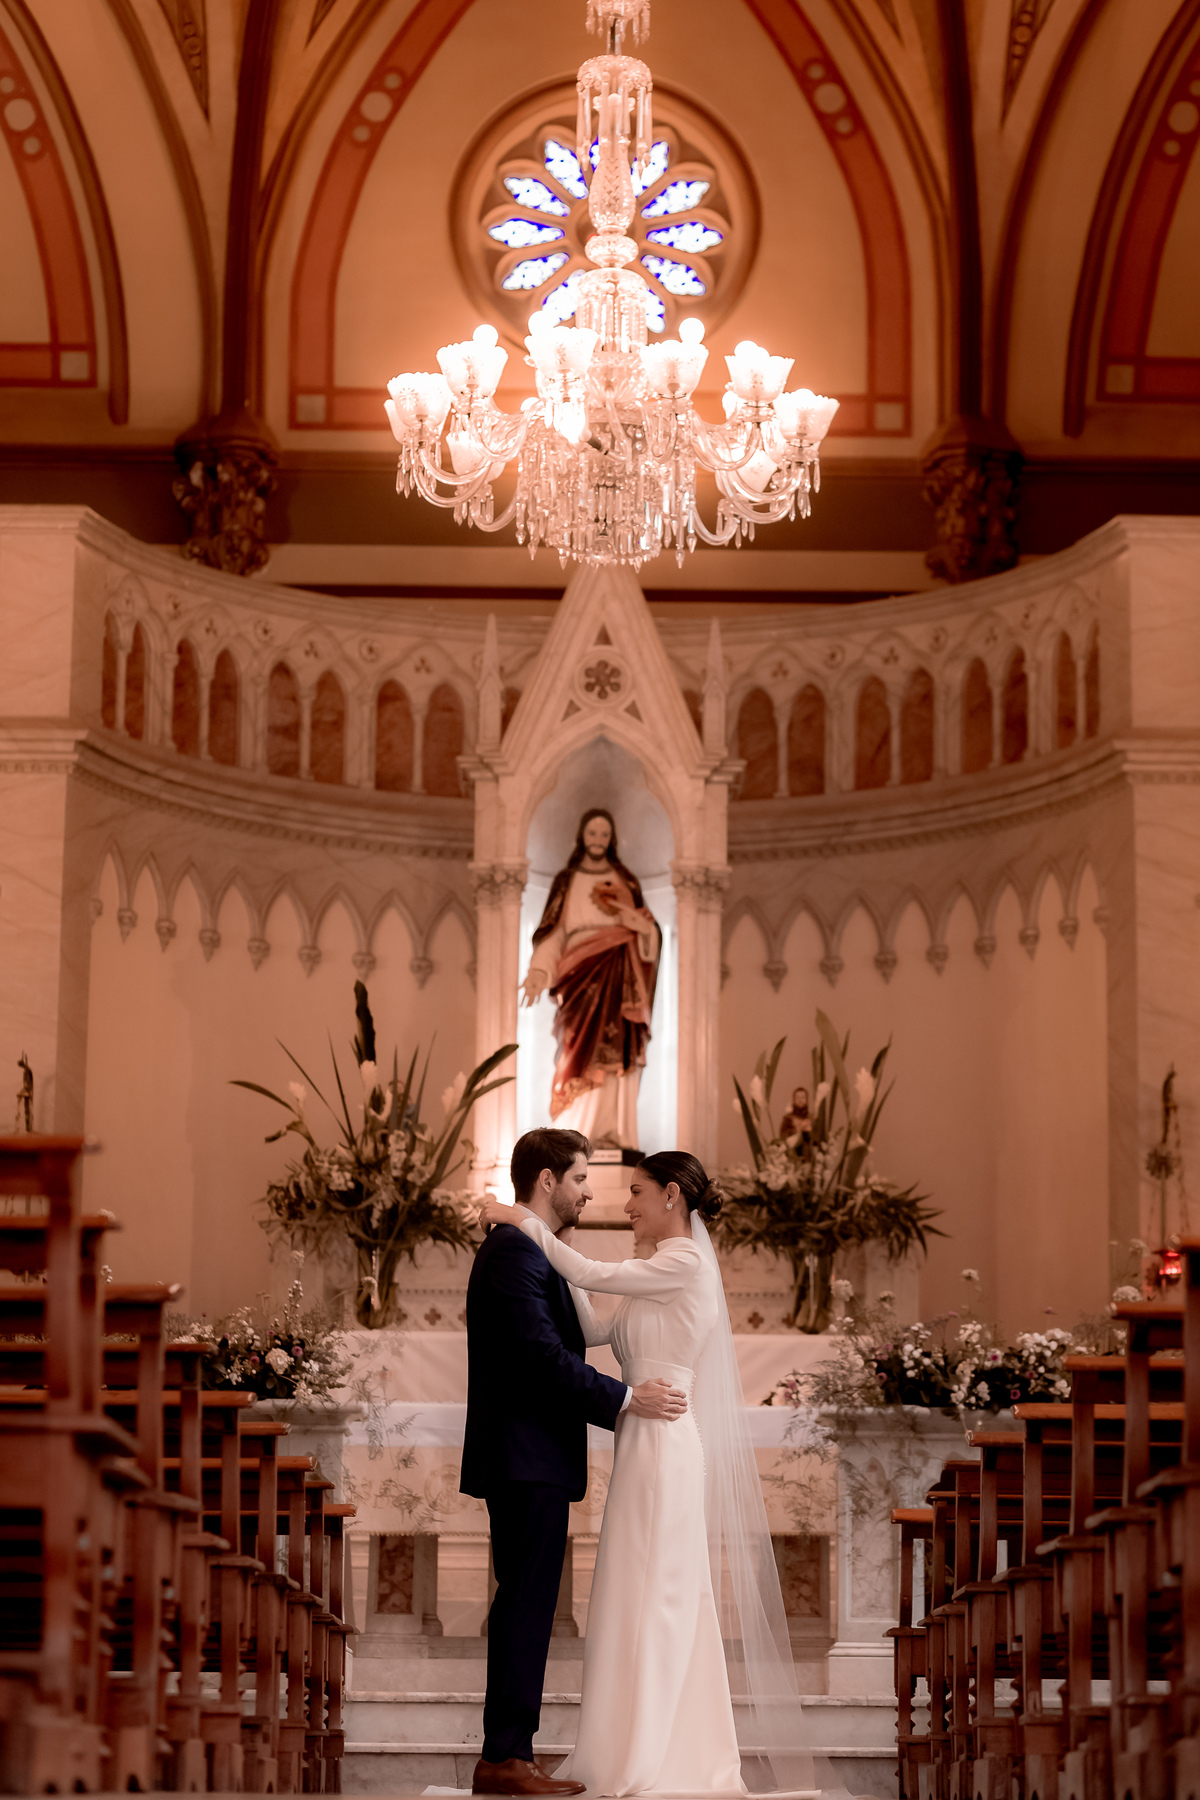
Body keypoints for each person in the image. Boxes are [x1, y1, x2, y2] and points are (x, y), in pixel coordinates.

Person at [478, 1153, 815, 1799]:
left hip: (664, 1439)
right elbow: (593, 1321)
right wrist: (552, 1248)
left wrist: (523, 1222)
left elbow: (589, 1269)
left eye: (635, 1192)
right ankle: (627, 1744)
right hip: (640, 1436)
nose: (626, 1205)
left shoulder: (683, 1261)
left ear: (671, 1195)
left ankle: (659, 1754)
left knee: (660, 1593)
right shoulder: (654, 1270)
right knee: (634, 1591)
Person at [461, 1127, 688, 1798]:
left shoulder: (532, 1250)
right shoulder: (512, 1254)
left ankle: (509, 1754)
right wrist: (625, 1398)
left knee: (526, 1603)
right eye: (583, 1178)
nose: (592, 1192)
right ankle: (504, 1758)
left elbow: (583, 1329)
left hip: (535, 1455)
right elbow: (538, 1358)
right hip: (525, 1454)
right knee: (524, 1604)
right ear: (549, 1180)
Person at [521, 808, 660, 1149]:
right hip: (579, 977)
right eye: (592, 833)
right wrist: (539, 970)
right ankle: (575, 1130)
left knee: (617, 1051)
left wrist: (640, 927)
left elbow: (649, 938)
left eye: (604, 834)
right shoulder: (566, 881)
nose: (598, 840)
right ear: (581, 836)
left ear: (611, 840)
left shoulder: (625, 881)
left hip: (618, 971)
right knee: (576, 1050)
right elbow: (553, 934)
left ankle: (612, 1132)